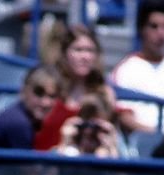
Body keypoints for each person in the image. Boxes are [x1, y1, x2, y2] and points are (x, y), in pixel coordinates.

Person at [110, 0, 164, 136]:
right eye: (154, 26)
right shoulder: (127, 68)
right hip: (140, 148)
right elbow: (124, 117)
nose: (161, 33)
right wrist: (158, 138)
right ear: (141, 29)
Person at [34, 23, 119, 151]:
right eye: (78, 50)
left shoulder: (105, 94)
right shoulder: (50, 89)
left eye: (90, 50)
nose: (85, 57)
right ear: (64, 53)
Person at [0, 64, 60, 149]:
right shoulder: (19, 122)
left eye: (52, 96)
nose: (45, 103)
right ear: (24, 90)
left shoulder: (26, 117)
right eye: (38, 93)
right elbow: (27, 163)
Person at [56, 92, 120, 157]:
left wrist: (111, 147)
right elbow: (56, 161)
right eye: (85, 123)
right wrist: (64, 142)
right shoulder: (73, 130)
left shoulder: (106, 131)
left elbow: (117, 162)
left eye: (94, 125)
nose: (88, 130)